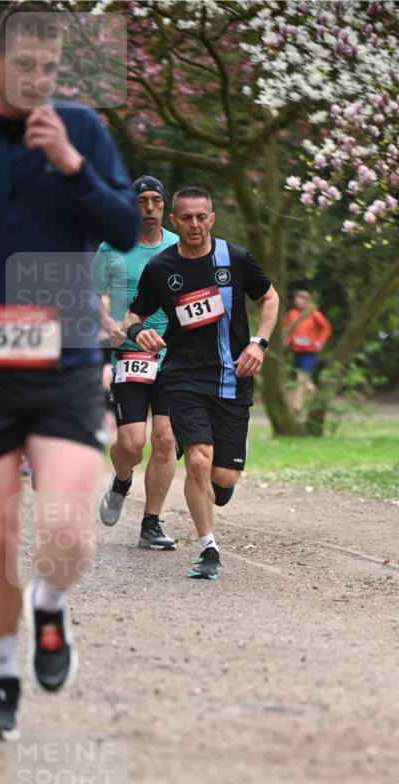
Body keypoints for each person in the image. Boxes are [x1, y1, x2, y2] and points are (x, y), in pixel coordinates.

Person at [0, 2, 138, 739]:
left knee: (67, 532)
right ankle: (1, 676)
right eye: (25, 66)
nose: (40, 80)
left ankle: (50, 604)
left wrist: (71, 167)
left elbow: (125, 228)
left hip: (67, 356)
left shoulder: (84, 130)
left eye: (50, 67)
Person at [123, 186, 279, 580]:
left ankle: (218, 486)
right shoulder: (161, 267)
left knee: (221, 479)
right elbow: (132, 314)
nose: (194, 225)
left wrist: (259, 344)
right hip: (184, 376)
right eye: (186, 218)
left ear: (211, 218)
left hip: (232, 376)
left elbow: (271, 299)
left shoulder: (236, 259)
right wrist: (139, 331)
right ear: (175, 221)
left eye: (201, 217)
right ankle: (208, 548)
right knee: (196, 460)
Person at [95, 175, 178, 549]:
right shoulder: (112, 247)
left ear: (164, 206)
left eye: (156, 201)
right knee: (132, 443)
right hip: (130, 352)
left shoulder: (180, 245)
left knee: (165, 439)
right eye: (142, 200)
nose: (149, 208)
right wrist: (110, 324)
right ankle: (121, 480)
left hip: (175, 354)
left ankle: (151, 523)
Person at [282, 289, 332, 409]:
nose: (299, 301)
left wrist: (320, 341)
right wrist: (287, 339)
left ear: (307, 301)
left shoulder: (314, 314)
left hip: (309, 353)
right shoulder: (291, 314)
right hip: (296, 352)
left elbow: (326, 328)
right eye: (297, 298)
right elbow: (285, 328)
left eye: (302, 298)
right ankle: (318, 397)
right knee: (303, 381)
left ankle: (296, 406)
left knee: (301, 379)